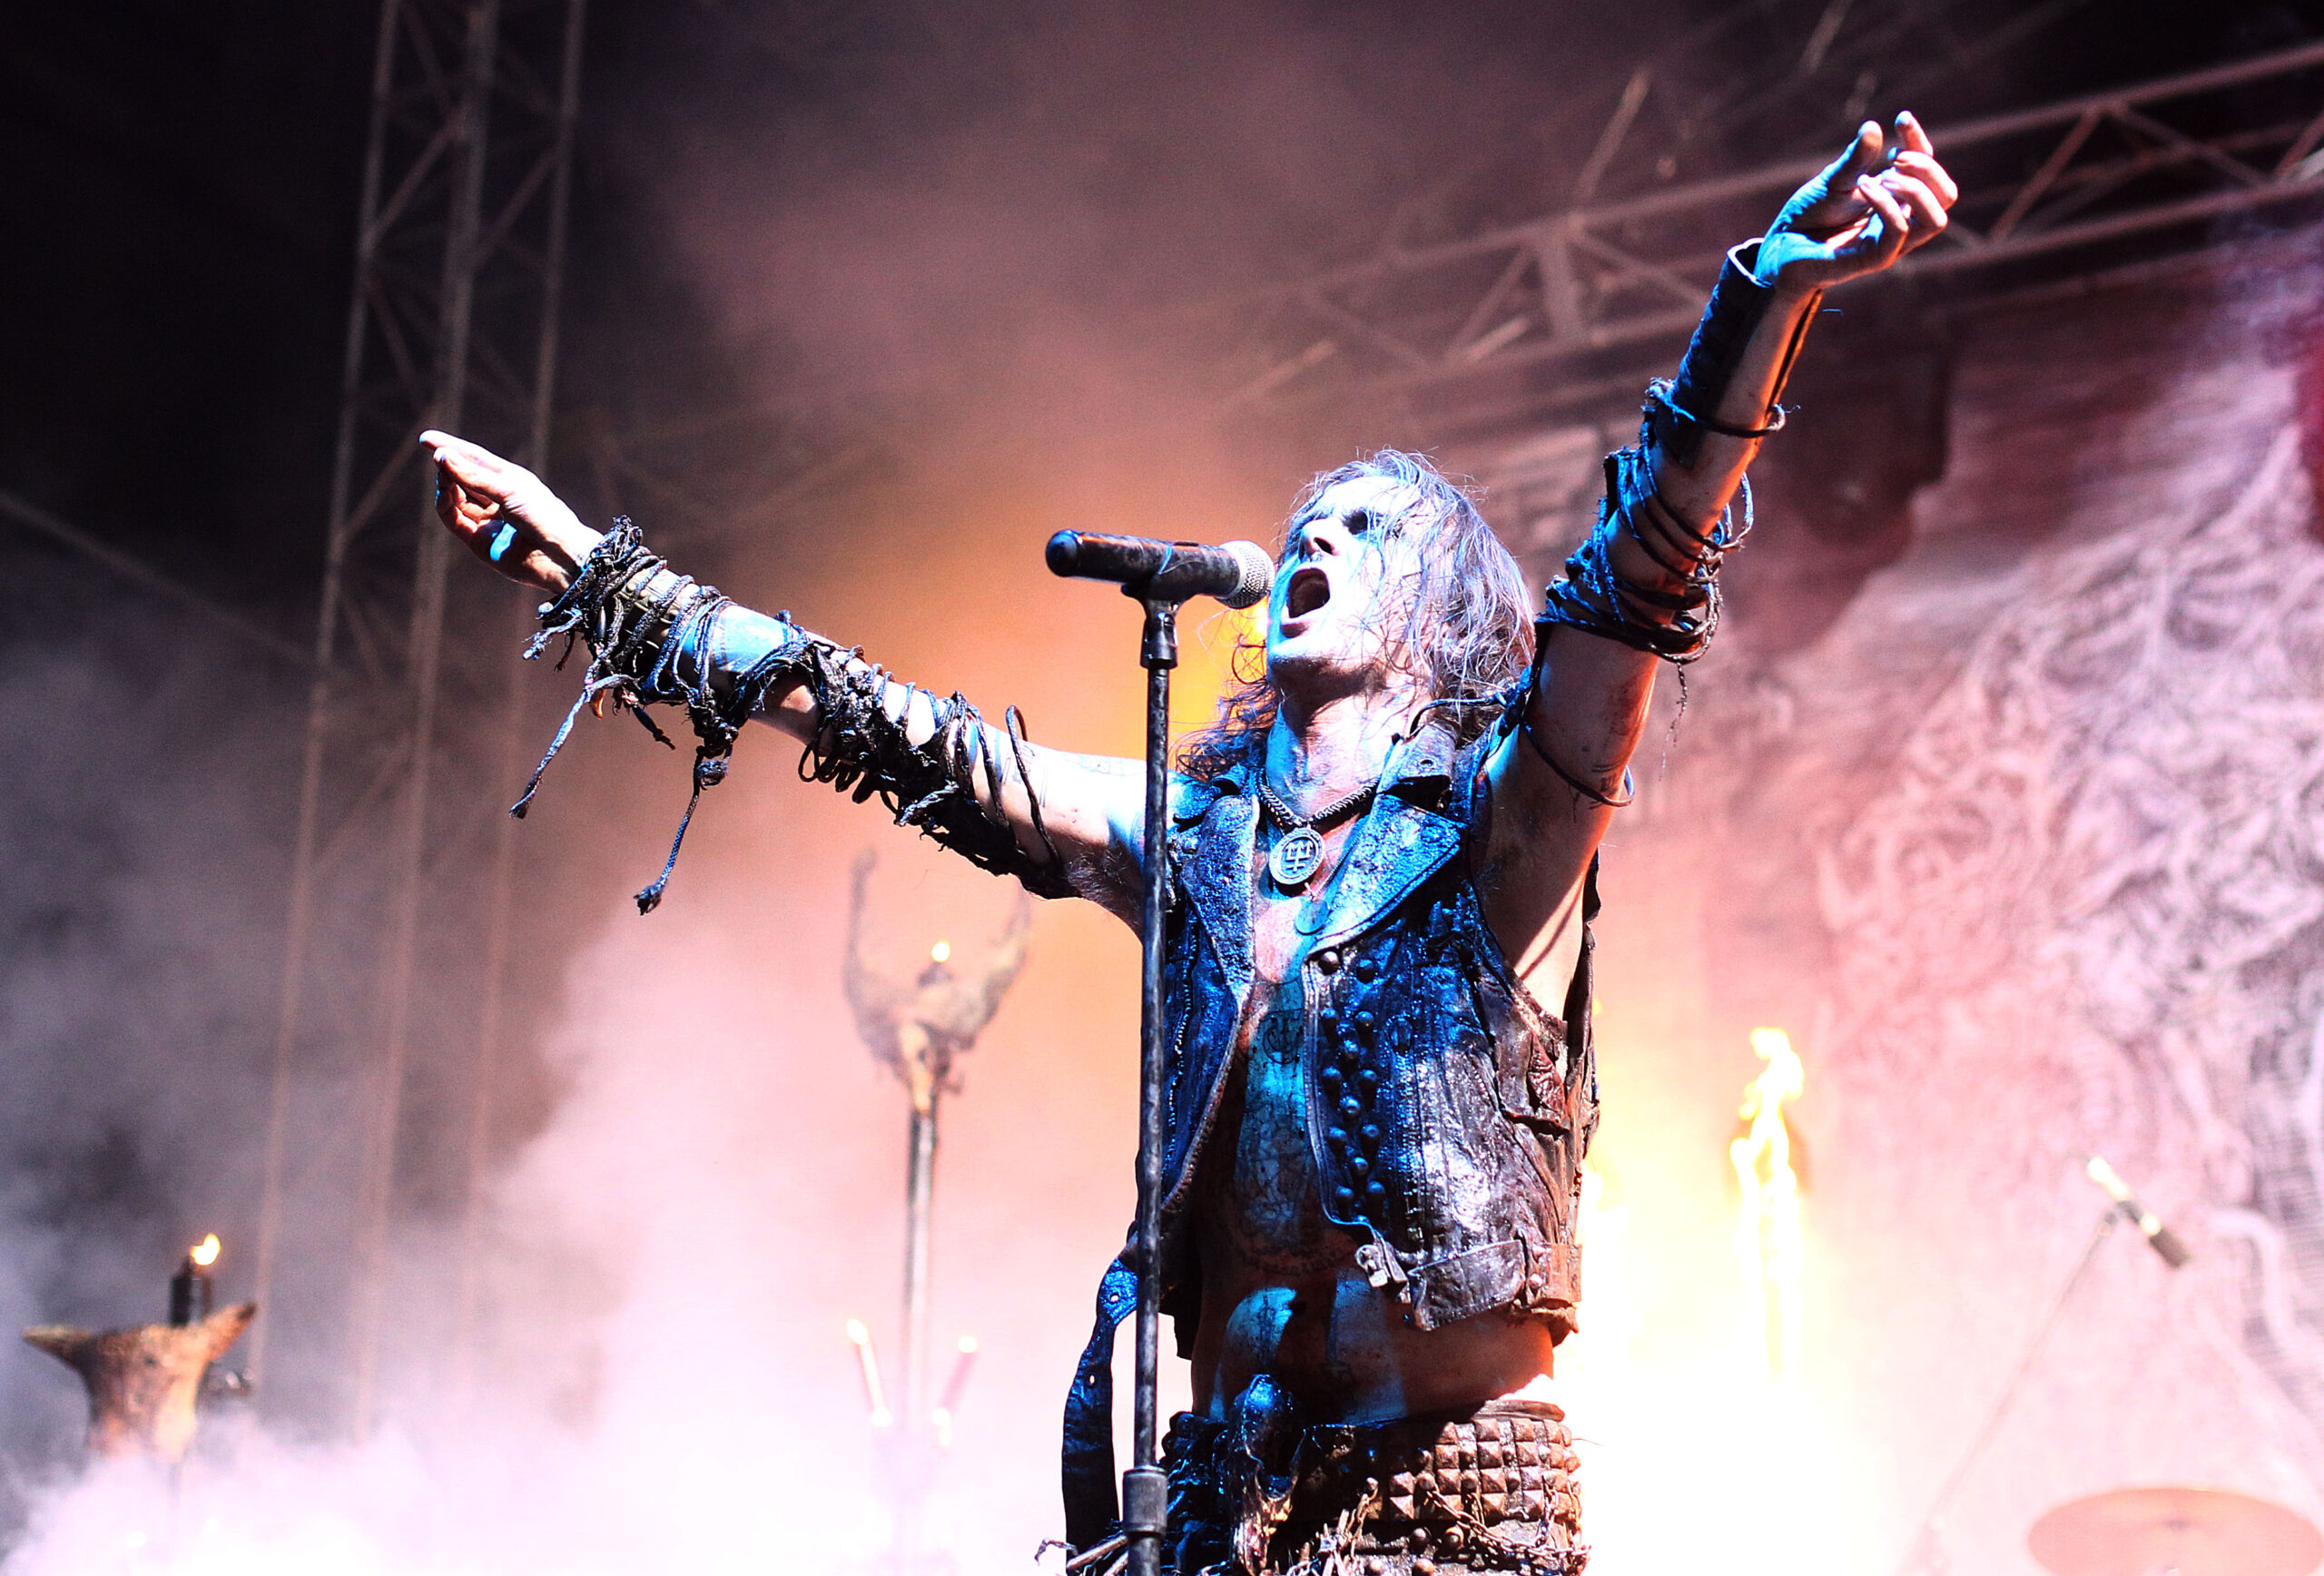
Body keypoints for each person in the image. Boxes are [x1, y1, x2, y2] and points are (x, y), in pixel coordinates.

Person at [423, 113, 1955, 1576]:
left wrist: (1758, 301)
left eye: (1366, 530)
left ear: (1438, 611)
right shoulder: (1194, 834)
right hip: (1212, 1507)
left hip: (1457, 1518)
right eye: (1308, 523)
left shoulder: (1506, 821)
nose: (1316, 539)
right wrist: (610, 580)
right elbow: (891, 728)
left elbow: (1641, 573)